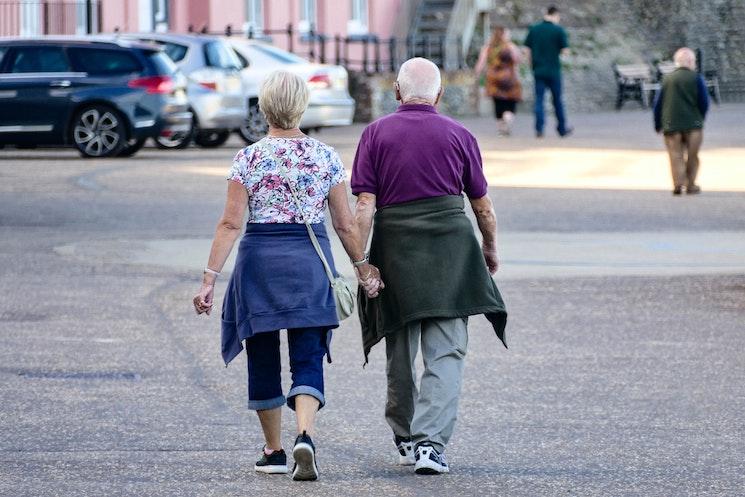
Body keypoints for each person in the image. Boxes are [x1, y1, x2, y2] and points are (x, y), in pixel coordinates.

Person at [192, 70, 382, 482]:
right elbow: (346, 225)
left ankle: (274, 451)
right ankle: (306, 437)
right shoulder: (326, 157)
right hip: (309, 265)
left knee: (262, 356)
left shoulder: (249, 157)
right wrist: (362, 268)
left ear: (264, 108)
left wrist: (209, 278)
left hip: (258, 266)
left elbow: (229, 224)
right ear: (302, 106)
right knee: (308, 358)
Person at [351, 57, 508, 475]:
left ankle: (405, 436)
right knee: (447, 351)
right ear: (439, 94)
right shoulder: (459, 134)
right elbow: (483, 207)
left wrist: (361, 262)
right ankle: (430, 446)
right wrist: (488, 250)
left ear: (397, 93)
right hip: (451, 253)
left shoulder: (375, 134)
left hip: (395, 249)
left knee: (399, 348)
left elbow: (364, 205)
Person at [653, 47, 709, 195]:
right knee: (693, 155)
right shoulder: (696, 78)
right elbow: (704, 102)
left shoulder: (667, 79)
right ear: (690, 61)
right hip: (694, 125)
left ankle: (678, 184)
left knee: (675, 155)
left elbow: (657, 104)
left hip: (671, 125)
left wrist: (658, 124)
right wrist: (700, 118)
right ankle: (691, 184)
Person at [524, 5, 572, 138]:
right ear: (556, 15)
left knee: (539, 100)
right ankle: (562, 129)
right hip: (554, 71)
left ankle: (539, 129)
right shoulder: (558, 30)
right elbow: (565, 51)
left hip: (538, 71)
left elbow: (526, 50)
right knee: (557, 100)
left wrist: (532, 64)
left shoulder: (534, 29)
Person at [475, 26, 523, 136]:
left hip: (494, 78)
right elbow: (518, 60)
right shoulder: (510, 47)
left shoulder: (488, 47)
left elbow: (481, 63)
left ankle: (501, 128)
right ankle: (508, 117)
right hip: (509, 77)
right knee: (511, 101)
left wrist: (477, 74)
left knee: (498, 102)